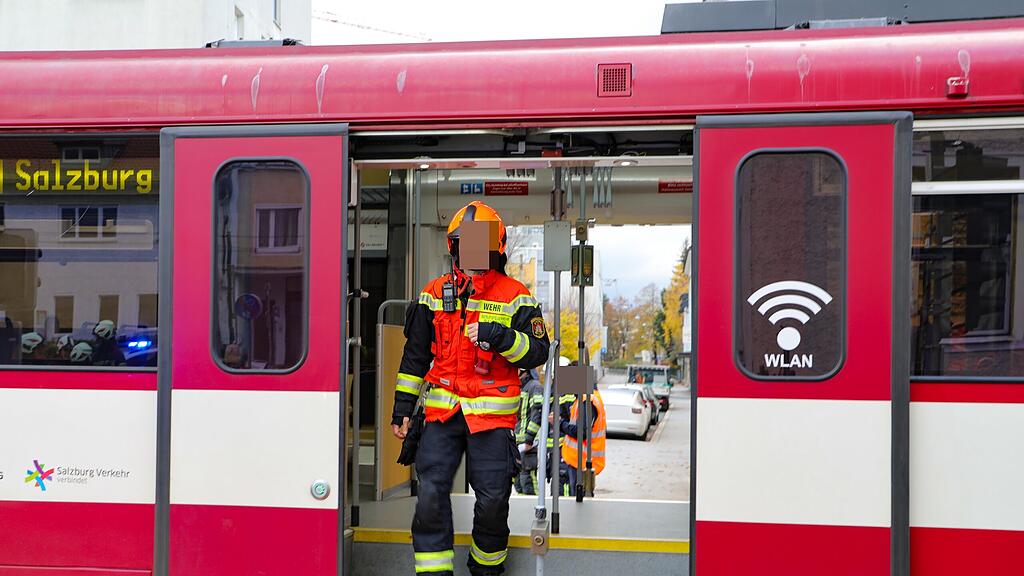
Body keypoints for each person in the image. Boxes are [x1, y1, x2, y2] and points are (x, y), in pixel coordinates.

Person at [391, 201, 549, 576]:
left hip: (492, 420)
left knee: (494, 502)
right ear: (454, 247)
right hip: (443, 414)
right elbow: (414, 358)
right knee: (429, 496)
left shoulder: (517, 296)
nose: (475, 251)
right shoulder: (432, 293)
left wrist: (501, 337)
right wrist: (402, 409)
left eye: (483, 243)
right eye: (467, 242)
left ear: (498, 248)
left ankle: (485, 571)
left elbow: (537, 352)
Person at [559, 375, 606, 498]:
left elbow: (582, 432)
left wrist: (560, 423)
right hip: (579, 460)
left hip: (582, 461)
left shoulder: (588, 401)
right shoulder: (585, 399)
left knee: (581, 499)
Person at [514, 368, 544, 495]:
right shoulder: (519, 386)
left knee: (528, 481)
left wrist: (529, 440)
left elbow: (537, 414)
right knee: (518, 483)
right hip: (517, 442)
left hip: (527, 444)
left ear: (523, 370)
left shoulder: (535, 387)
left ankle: (534, 513)